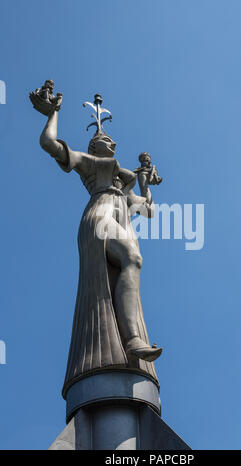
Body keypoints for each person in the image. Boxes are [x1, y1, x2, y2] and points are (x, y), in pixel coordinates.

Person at [38, 98, 162, 396]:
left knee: (133, 262)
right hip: (99, 218)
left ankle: (131, 337)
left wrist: (144, 183)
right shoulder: (94, 165)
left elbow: (148, 211)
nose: (114, 141)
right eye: (107, 139)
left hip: (119, 220)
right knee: (132, 257)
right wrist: (52, 113)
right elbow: (49, 143)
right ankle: (132, 339)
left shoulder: (123, 189)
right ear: (95, 148)